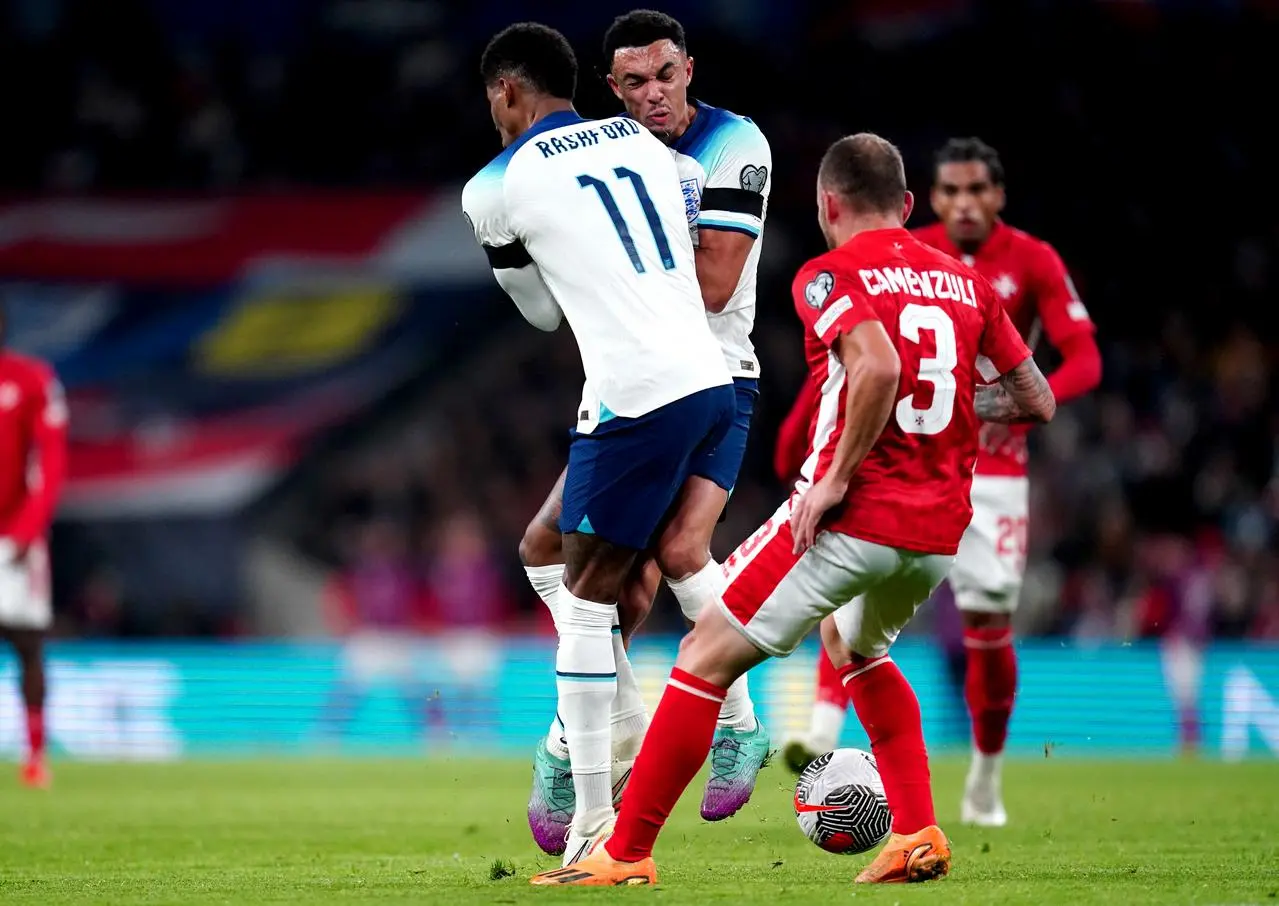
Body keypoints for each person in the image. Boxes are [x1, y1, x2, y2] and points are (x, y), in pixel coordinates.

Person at [532, 132, 1055, 887]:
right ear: (908, 206)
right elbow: (1034, 398)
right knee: (856, 650)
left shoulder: (825, 274)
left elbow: (875, 362)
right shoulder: (968, 284)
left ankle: (624, 853)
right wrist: (943, 407)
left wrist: (837, 476)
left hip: (853, 519)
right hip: (938, 531)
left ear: (826, 207)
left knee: (701, 657)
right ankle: (915, 833)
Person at [460, 22, 735, 865]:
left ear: (506, 92)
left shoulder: (493, 185)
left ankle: (595, 828)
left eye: (492, 102)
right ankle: (625, 719)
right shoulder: (652, 147)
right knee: (547, 552)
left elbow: (541, 313)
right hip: (710, 378)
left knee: (584, 600)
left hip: (636, 393)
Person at [784, 137, 1101, 827]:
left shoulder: (1030, 261)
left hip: (993, 472)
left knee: (983, 623)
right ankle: (820, 728)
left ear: (997, 196)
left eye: (975, 191)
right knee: (849, 609)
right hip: (900, 463)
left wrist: (984, 407)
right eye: (949, 191)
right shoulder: (908, 253)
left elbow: (1078, 364)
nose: (962, 204)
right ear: (921, 200)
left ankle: (983, 779)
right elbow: (845, 372)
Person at [518, 8, 773, 852]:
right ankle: (600, 737)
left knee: (673, 553)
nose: (653, 94)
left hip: (716, 375)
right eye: (633, 82)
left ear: (689, 69)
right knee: (599, 582)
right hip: (636, 386)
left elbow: (710, 283)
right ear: (610, 88)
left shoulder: (734, 145)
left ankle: (703, 727)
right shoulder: (611, 152)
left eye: (665, 75)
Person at [0, 302, 69, 788]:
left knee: (26, 645)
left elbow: (51, 459)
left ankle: (35, 756)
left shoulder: (30, 379)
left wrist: (28, 529)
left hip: (15, 539)